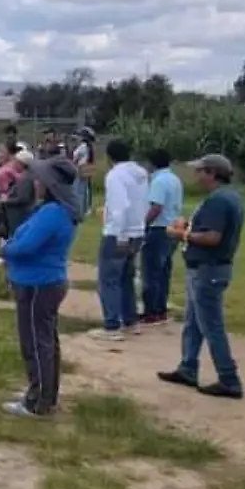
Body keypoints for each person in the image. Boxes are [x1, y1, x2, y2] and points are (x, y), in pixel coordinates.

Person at [158, 154, 245, 399]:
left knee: (211, 325)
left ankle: (229, 379)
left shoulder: (218, 201)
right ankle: (188, 367)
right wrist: (191, 227)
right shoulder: (230, 196)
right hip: (208, 268)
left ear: (211, 173)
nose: (196, 176)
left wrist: (182, 235)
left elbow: (213, 237)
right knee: (194, 322)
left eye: (200, 171)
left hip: (208, 269)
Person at [0, 157, 80, 417]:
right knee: (45, 340)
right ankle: (44, 393)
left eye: (40, 178)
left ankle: (38, 401)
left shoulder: (53, 213)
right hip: (41, 281)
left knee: (35, 343)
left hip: (38, 284)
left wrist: (6, 250)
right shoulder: (54, 210)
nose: (35, 182)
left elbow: (26, 246)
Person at [91, 139, 148, 341]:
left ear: (109, 157)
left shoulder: (115, 176)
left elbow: (120, 206)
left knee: (109, 279)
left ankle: (112, 325)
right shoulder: (141, 174)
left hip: (119, 233)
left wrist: (120, 235)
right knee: (126, 278)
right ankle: (130, 321)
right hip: (138, 231)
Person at [141, 149, 183, 326]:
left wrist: (142, 224)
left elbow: (156, 207)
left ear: (152, 163)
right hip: (173, 228)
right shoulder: (174, 179)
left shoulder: (158, 181)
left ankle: (151, 311)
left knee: (151, 272)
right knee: (164, 271)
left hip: (158, 228)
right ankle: (161, 309)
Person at [72, 127, 97, 217]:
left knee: (78, 190)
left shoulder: (82, 146)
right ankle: (86, 209)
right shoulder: (90, 147)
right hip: (87, 169)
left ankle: (80, 210)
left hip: (81, 169)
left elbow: (75, 157)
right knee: (85, 189)